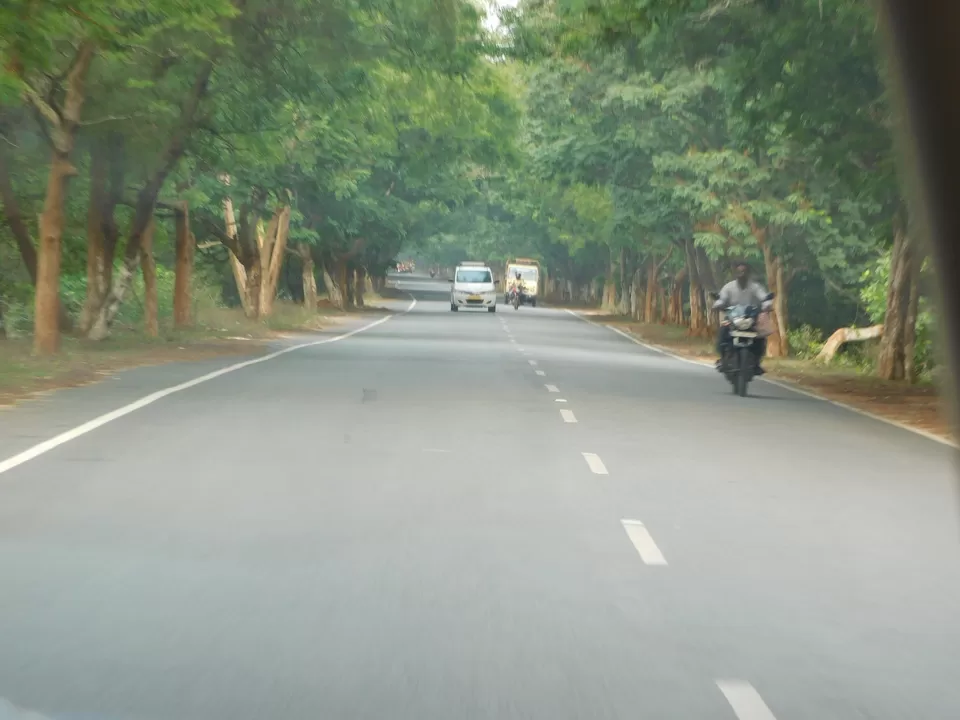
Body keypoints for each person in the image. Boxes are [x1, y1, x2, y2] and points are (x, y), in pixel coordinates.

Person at [712, 261, 773, 374]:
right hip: (732, 318)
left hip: (750, 319)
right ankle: (723, 357)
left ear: (748, 273)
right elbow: (722, 298)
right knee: (723, 332)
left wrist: (767, 305)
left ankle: (756, 362)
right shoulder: (729, 287)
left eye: (744, 271)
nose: (742, 274)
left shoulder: (755, 287)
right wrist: (719, 304)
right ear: (735, 273)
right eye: (740, 272)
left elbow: (763, 297)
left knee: (761, 337)